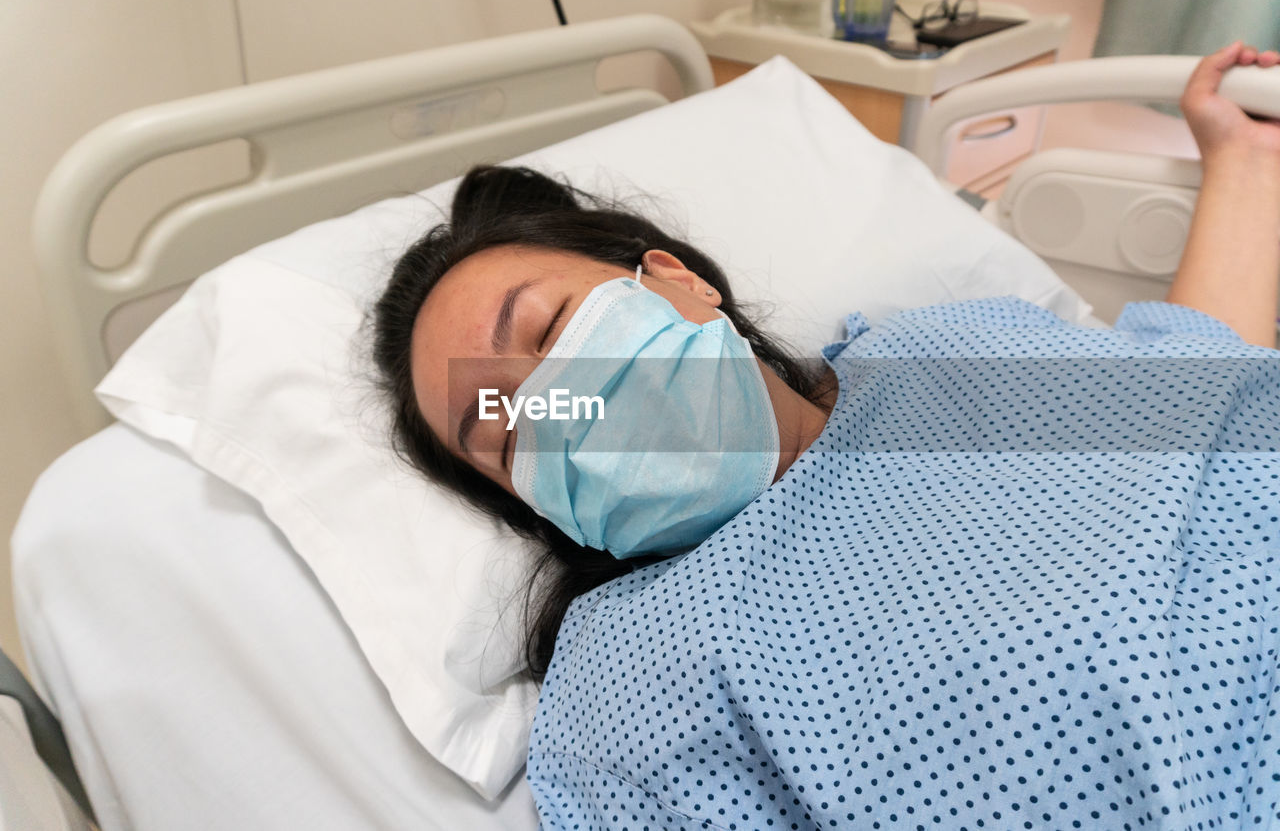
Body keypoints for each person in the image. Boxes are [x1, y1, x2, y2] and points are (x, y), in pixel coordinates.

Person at [374, 44, 1280, 826]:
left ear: (679, 283)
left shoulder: (945, 344)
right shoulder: (627, 687)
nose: (552, 405)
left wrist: (1244, 159)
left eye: (544, 327)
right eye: (499, 427)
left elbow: (1193, 393)